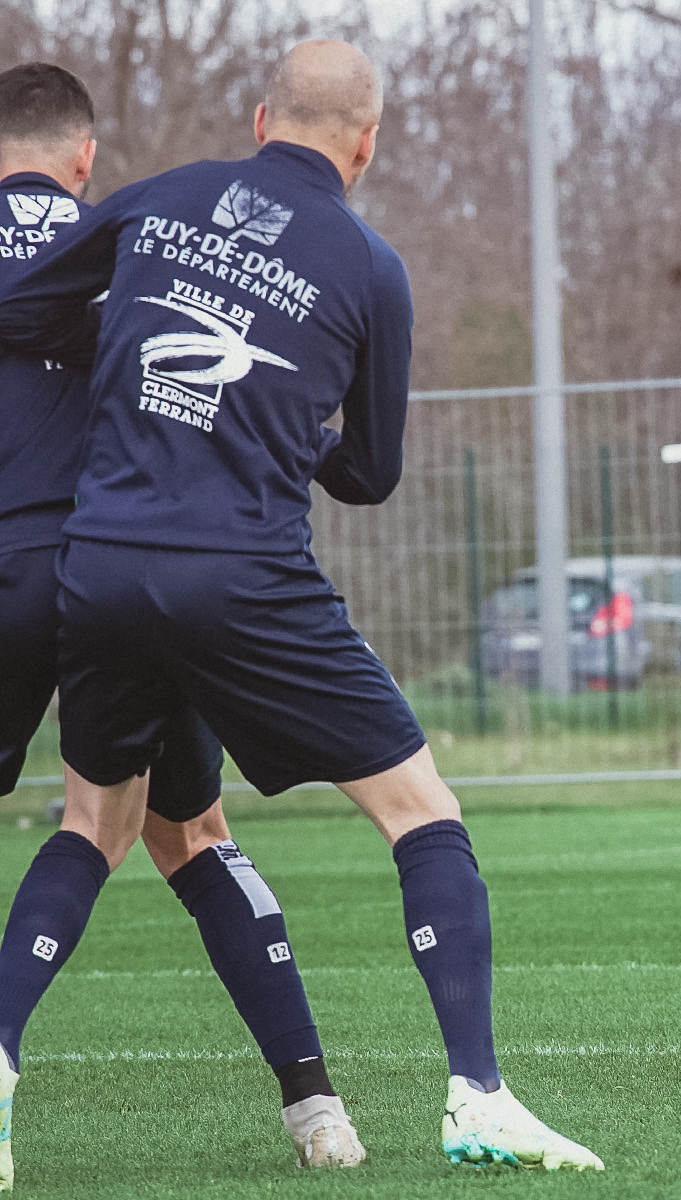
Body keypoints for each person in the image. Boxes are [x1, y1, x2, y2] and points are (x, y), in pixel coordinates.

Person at [0, 42, 602, 1171]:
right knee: (421, 811)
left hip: (103, 566)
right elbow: (371, 473)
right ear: (366, 144)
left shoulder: (162, 195)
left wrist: (142, 346)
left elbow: (25, 304)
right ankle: (476, 1091)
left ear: (262, 114)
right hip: (242, 579)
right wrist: (286, 421)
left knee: (97, 824)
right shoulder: (370, 266)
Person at [0, 60, 365, 1176]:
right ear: (85, 158)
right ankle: (315, 1112)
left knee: (93, 828)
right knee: (181, 834)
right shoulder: (140, 230)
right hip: (116, 566)